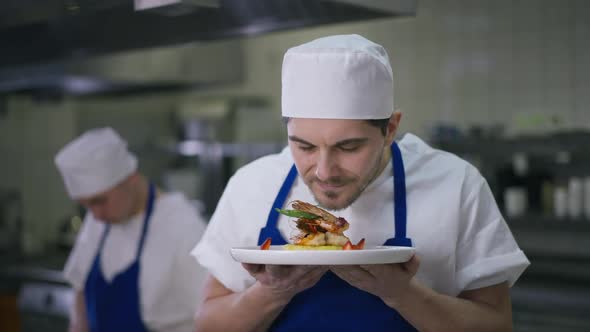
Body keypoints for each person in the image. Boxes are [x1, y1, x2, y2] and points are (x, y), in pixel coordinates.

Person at [191, 34, 530, 331]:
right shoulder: (252, 185)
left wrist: (401, 294)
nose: (324, 171)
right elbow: (208, 324)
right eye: (305, 146)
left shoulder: (456, 185)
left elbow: (496, 325)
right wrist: (273, 291)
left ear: (390, 129)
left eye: (348, 146)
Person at [54, 127, 208, 332]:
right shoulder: (99, 220)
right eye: (86, 205)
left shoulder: (182, 226)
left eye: (99, 201)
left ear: (130, 178)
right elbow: (80, 288)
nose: (95, 214)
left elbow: (214, 316)